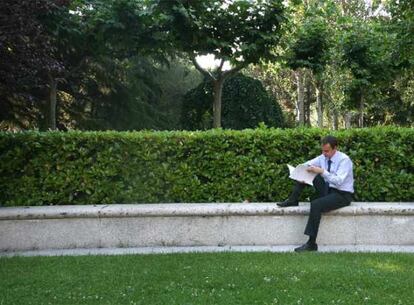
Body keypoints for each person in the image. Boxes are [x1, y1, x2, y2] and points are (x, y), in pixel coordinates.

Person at [277, 135, 354, 252]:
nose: (324, 153)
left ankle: (311, 244)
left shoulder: (344, 160)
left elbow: (338, 181)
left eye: (327, 151)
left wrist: (322, 171)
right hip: (328, 190)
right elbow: (307, 164)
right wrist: (301, 172)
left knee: (316, 204)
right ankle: (293, 200)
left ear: (335, 148)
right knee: (306, 172)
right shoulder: (323, 157)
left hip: (342, 194)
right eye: (322, 150)